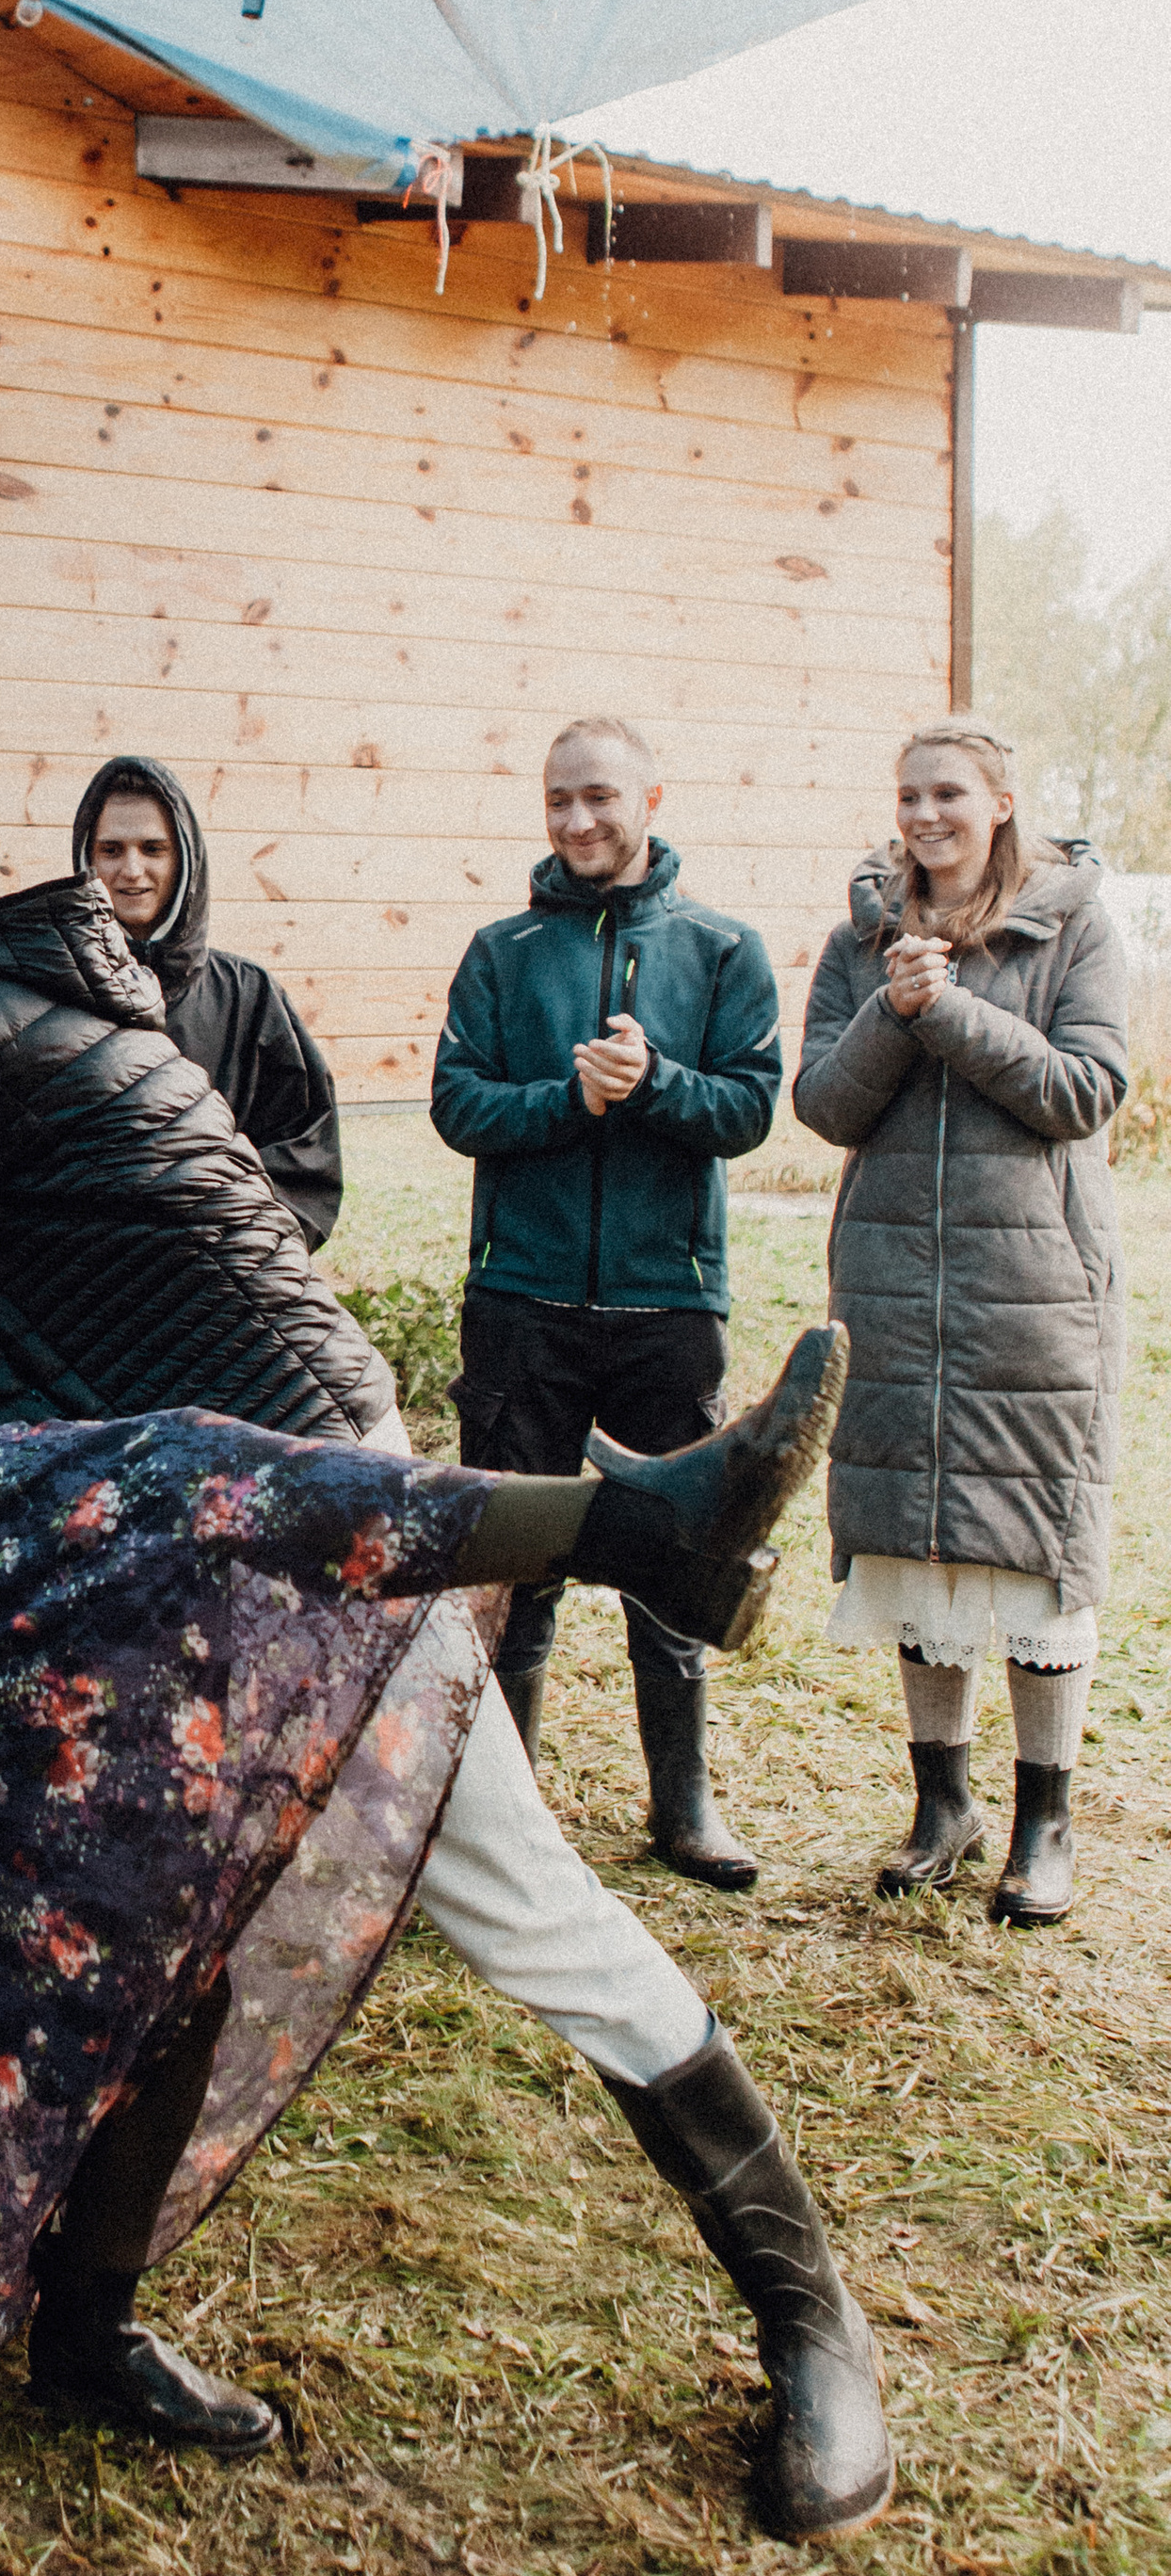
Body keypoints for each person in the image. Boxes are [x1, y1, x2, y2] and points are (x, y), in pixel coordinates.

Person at [0, 721, 892, 2542]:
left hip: (307, 1528)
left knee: (527, 1906)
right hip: (225, 1519)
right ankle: (80, 2332)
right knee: (144, 1916)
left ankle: (815, 2324)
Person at [430, 717, 783, 1889]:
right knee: (511, 1565)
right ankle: (502, 1817)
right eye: (557, 802)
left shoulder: (724, 951)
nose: (577, 822)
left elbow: (746, 1112)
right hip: (520, 1302)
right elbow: (458, 1110)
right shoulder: (500, 950)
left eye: (599, 798)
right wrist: (569, 1102)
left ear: (649, 797)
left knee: (671, 1555)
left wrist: (654, 1086)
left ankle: (682, 1810)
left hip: (664, 1306)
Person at [794, 718, 1126, 1924]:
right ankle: (943, 1806)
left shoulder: (1072, 925)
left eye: (948, 792)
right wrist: (893, 1003)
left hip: (1033, 1291)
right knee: (913, 1535)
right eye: (907, 794)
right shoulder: (860, 937)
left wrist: (952, 1013)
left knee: (1033, 1548)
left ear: (997, 803)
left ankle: (1044, 1821)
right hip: (890, 1282)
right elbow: (824, 1103)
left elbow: (1085, 1090)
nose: (924, 813)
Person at [70, 753, 343, 1245]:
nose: (132, 870)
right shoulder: (52, 994)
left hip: (221, 1288)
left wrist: (235, 1236)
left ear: (184, 858)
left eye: (153, 848)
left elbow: (307, 1154)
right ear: (86, 860)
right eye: (112, 850)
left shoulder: (248, 995)